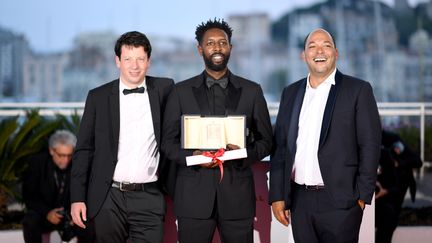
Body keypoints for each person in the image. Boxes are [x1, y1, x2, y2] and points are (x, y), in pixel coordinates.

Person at [161, 19, 273, 243]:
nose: (217, 47)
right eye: (210, 43)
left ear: (230, 47)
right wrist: (192, 157)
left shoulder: (252, 91)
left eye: (223, 42)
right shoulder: (180, 92)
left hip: (237, 198)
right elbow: (167, 143)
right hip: (192, 198)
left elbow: (266, 141)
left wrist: (240, 154)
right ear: (200, 49)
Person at [269, 28, 382, 243]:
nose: (319, 51)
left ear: (336, 53)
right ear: (304, 55)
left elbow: (370, 144)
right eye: (312, 46)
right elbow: (280, 148)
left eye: (326, 45)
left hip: (342, 202)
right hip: (300, 200)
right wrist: (277, 196)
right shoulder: (290, 93)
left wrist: (361, 197)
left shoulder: (358, 89)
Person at [70, 31, 174, 243]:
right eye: (128, 59)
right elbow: (83, 150)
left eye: (140, 59)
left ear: (149, 62)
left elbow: (183, 124)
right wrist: (77, 198)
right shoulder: (97, 97)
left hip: (149, 195)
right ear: (117, 61)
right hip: (108, 196)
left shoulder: (165, 89)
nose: (134, 66)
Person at [22, 130, 92, 243]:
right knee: (30, 221)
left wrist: (73, 213)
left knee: (89, 222)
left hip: (70, 214)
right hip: (44, 214)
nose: (66, 160)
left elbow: (86, 192)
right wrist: (47, 213)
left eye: (69, 155)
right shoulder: (37, 163)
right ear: (51, 151)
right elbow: (29, 195)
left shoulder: (77, 163)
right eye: (61, 155)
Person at [375, 130, 423, 243]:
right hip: (383, 187)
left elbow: (417, 161)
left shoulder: (392, 140)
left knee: (391, 216)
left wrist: (398, 163)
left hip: (397, 185)